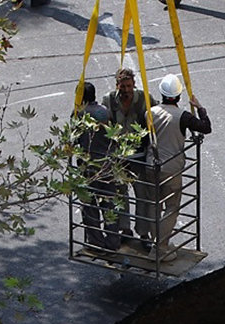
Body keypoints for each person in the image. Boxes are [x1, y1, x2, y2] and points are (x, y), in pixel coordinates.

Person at [146, 74, 212, 257]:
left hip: (151, 165)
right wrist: (200, 108)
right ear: (179, 96)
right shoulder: (183, 116)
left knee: (154, 204)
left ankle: (155, 242)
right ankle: (160, 247)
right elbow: (206, 127)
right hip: (172, 168)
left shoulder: (150, 112)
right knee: (172, 206)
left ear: (161, 93)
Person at [103, 68, 152, 250]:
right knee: (120, 194)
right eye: (122, 86)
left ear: (134, 85)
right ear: (117, 86)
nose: (126, 90)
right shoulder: (109, 100)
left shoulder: (144, 99)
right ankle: (125, 229)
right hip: (119, 157)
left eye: (129, 86)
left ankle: (144, 232)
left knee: (142, 194)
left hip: (138, 156)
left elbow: (154, 119)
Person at [73, 81, 117, 249]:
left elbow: (73, 138)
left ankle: (96, 241)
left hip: (88, 166)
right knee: (109, 205)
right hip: (107, 165)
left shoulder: (78, 114)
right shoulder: (105, 112)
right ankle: (113, 241)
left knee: (90, 205)